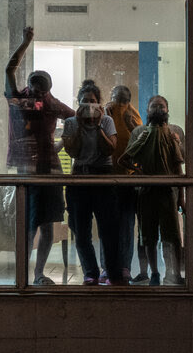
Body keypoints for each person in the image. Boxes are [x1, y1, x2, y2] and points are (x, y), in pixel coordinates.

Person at [4, 25, 74, 286]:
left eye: (41, 92)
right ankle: (23, 273)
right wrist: (25, 42)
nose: (36, 96)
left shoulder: (52, 103)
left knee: (47, 224)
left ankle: (38, 273)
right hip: (27, 169)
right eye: (34, 90)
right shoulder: (18, 97)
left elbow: (76, 119)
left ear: (48, 90)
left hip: (50, 168)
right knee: (28, 224)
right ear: (29, 86)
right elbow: (10, 70)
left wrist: (61, 144)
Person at [119, 94, 185, 286]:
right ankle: (150, 272)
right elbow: (128, 158)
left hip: (168, 192)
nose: (158, 110)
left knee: (171, 236)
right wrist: (141, 172)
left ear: (168, 110)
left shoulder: (174, 133)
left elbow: (178, 166)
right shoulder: (141, 132)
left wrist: (181, 196)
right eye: (154, 106)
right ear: (147, 110)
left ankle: (174, 273)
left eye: (161, 106)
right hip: (146, 191)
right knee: (147, 236)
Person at [61, 85, 123, 285]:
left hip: (103, 176)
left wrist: (97, 126)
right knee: (81, 230)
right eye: (84, 101)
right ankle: (91, 271)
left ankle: (113, 273)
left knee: (109, 229)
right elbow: (73, 152)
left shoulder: (107, 121)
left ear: (99, 103)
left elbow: (110, 150)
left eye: (92, 101)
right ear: (78, 103)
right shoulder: (71, 122)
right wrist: (80, 124)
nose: (89, 105)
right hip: (80, 177)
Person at [106, 84, 142, 282]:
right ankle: (110, 266)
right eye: (116, 98)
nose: (118, 103)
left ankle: (124, 266)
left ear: (127, 101)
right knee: (111, 225)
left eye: (121, 100)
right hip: (109, 175)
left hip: (127, 177)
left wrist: (130, 124)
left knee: (125, 225)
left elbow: (141, 138)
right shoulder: (106, 112)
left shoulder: (132, 115)